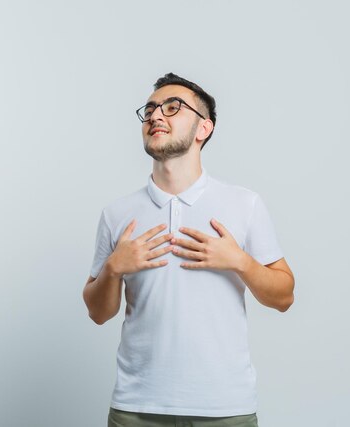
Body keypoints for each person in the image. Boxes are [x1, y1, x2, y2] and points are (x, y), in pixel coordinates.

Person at [83, 73, 295, 427]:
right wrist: (113, 269)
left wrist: (240, 261)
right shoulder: (117, 213)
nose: (155, 116)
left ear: (203, 129)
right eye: (150, 109)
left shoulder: (244, 204)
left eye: (172, 107)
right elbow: (98, 313)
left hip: (225, 408)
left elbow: (284, 297)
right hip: (136, 408)